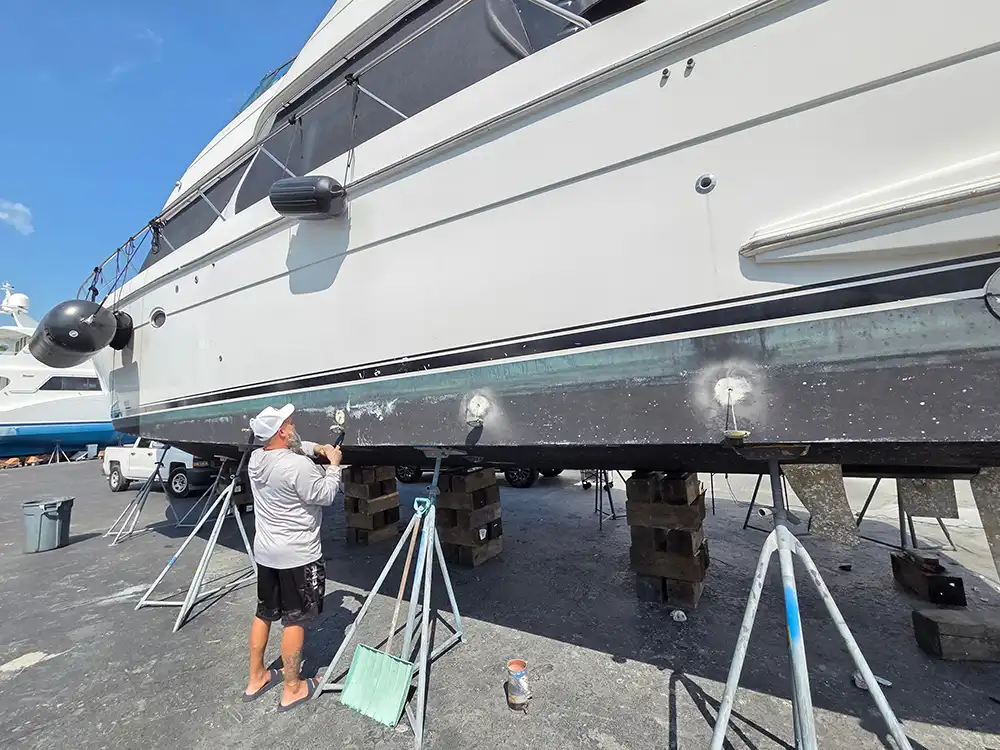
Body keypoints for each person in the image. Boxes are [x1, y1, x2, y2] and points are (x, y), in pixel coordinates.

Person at [241, 403, 344, 711]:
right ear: (282, 433)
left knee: (264, 613)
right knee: (294, 620)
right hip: (298, 556)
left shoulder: (257, 459)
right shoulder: (296, 467)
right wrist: (334, 465)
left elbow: (296, 448)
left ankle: (256, 676)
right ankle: (293, 687)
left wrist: (319, 448)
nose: (295, 426)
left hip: (267, 553)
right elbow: (324, 495)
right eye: (291, 424)